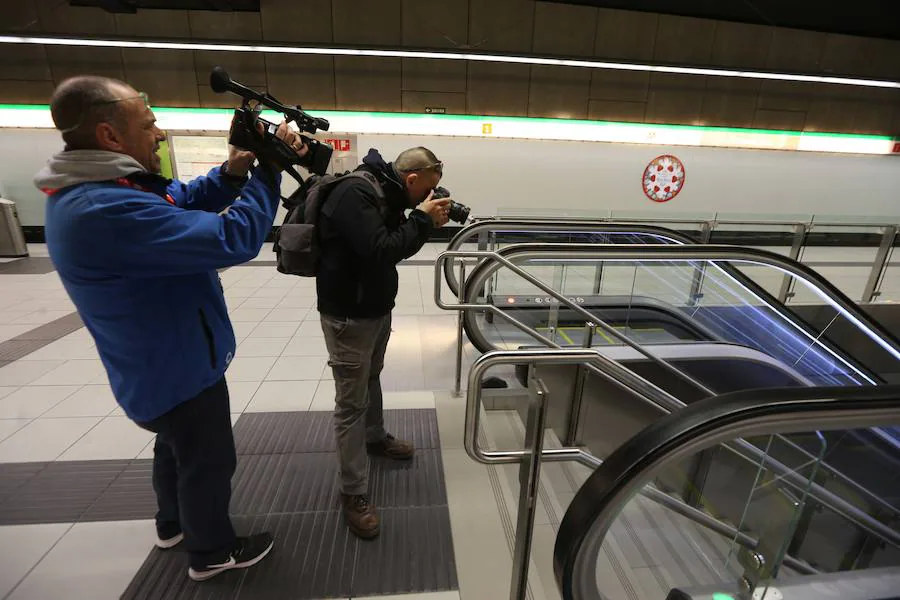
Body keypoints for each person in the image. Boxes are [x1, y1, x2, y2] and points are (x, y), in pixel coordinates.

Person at [33, 75, 307, 582]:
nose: (159, 134)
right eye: (150, 123)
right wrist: (270, 171)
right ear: (110, 136)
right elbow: (234, 237)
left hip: (155, 363)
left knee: (174, 447)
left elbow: (176, 199)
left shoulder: (105, 190)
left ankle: (173, 524)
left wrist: (232, 172)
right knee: (208, 460)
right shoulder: (105, 208)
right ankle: (212, 552)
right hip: (177, 365)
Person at [316, 147, 450, 538]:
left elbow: (395, 248)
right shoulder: (355, 194)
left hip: (374, 308)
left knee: (371, 378)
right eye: (428, 189)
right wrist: (422, 220)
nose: (429, 196)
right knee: (350, 405)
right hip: (348, 317)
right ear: (411, 180)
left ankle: (375, 439)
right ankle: (353, 492)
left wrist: (420, 220)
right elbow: (381, 250)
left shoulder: (388, 194)